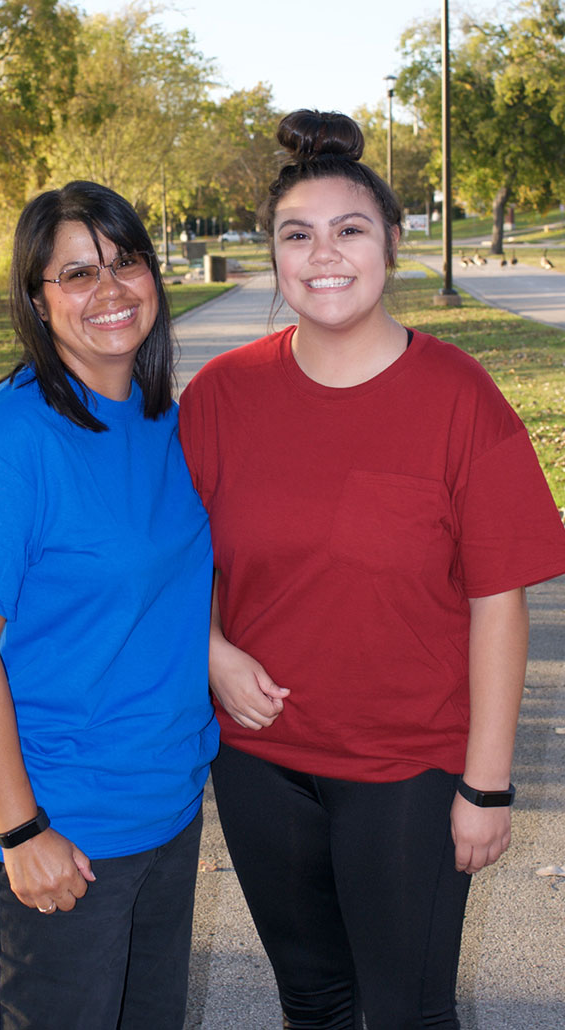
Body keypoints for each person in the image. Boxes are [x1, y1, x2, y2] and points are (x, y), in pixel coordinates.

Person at [178, 110, 565, 1030]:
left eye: (349, 230)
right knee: (312, 1003)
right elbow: (166, 562)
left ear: (393, 242)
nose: (325, 255)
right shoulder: (224, 395)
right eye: (296, 235)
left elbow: (498, 606)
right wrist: (212, 650)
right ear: (273, 255)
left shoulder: (460, 398)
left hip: (409, 766)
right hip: (262, 763)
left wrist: (486, 784)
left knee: (407, 1011)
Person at [0, 180, 218, 1030]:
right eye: (77, 274)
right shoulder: (9, 440)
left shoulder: (158, 417)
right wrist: (21, 832)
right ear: (36, 299)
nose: (110, 291)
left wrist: (217, 651)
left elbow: (163, 583)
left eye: (126, 264)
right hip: (58, 827)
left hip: (160, 811)